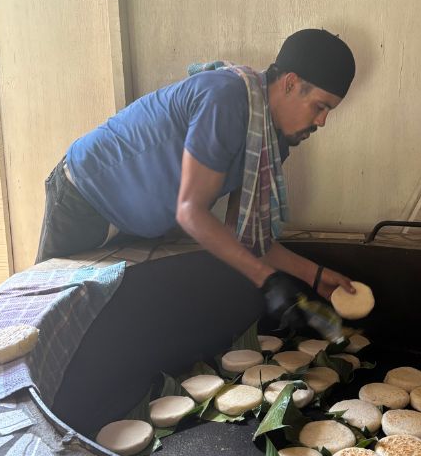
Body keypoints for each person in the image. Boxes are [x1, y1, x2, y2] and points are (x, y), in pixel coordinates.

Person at [35, 29, 357, 334]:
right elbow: (191, 212)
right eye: (320, 106)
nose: (323, 121)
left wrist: (314, 277)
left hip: (138, 226)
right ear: (290, 84)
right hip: (83, 199)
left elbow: (241, 237)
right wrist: (269, 280)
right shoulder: (226, 99)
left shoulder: (269, 143)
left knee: (111, 323)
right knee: (52, 317)